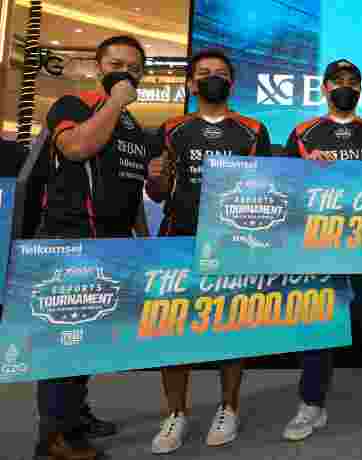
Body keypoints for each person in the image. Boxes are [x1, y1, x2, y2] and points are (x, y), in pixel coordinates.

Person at [33, 35, 155, 460]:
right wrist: (116, 101)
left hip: (114, 246)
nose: (126, 73)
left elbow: (131, 189)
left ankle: (75, 414)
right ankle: (55, 438)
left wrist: (142, 241)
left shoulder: (133, 127)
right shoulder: (73, 105)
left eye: (134, 68)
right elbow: (76, 147)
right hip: (72, 241)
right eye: (116, 64)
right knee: (64, 340)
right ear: (99, 68)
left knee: (88, 339)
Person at [145, 49, 271, 454]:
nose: (212, 77)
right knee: (172, 325)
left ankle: (228, 408)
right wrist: (155, 178)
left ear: (231, 83)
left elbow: (266, 188)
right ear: (190, 83)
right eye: (203, 73)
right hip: (178, 235)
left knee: (230, 326)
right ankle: (175, 413)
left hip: (234, 241)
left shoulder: (253, 129)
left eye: (219, 73)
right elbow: (156, 192)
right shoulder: (171, 128)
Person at [281, 59, 362, 439]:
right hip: (320, 241)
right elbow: (284, 187)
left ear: (360, 89)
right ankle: (311, 403)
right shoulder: (304, 132)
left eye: (352, 81)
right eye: (338, 81)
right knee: (319, 317)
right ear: (325, 88)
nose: (345, 86)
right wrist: (306, 170)